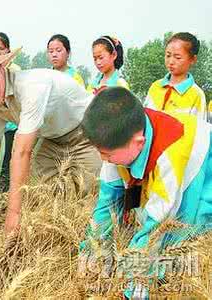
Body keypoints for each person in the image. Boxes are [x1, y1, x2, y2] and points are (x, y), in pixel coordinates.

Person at [0, 41, 101, 233]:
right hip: (52, 139)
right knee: (37, 189)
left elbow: (22, 151)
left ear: (0, 68)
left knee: (91, 190)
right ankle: (52, 235)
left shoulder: (31, 86)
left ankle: (86, 238)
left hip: (87, 131)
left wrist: (13, 215)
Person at [79, 87, 212, 298]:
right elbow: (107, 204)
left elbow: (156, 223)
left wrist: (134, 287)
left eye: (107, 155)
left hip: (202, 168)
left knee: (183, 234)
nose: (103, 159)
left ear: (138, 143)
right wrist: (90, 252)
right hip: (170, 163)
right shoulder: (117, 140)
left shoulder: (170, 154)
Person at [144, 32, 206, 120]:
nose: (171, 61)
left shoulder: (196, 95)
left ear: (193, 59)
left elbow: (199, 129)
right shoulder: (155, 86)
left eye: (177, 57)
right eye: (168, 55)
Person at [0, 32, 19, 193]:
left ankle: (5, 190)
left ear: (8, 50)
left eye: (2, 48)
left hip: (11, 125)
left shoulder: (15, 70)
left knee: (8, 160)